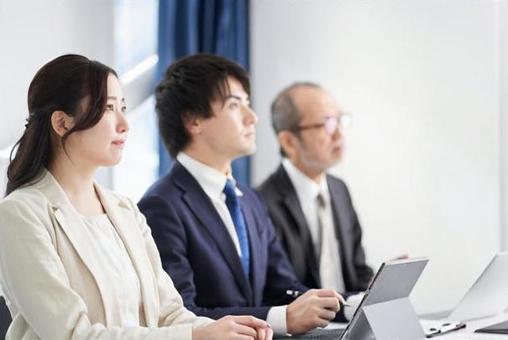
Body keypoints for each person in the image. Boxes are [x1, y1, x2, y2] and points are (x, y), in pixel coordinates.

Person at [0, 54, 272, 340]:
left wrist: (223, 328)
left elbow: (169, 314)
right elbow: (71, 335)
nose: (124, 123)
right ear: (62, 123)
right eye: (107, 108)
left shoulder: (125, 209)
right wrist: (196, 337)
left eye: (123, 108)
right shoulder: (20, 214)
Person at [138, 54, 343, 336]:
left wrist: (341, 304)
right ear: (193, 120)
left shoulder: (249, 199)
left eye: (247, 103)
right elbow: (182, 315)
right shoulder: (161, 206)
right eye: (235, 105)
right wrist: (282, 317)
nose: (253, 118)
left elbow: (281, 285)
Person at [257, 82, 373, 295]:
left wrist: (379, 288)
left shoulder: (339, 189)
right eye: (327, 123)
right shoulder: (261, 203)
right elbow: (279, 290)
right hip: (307, 327)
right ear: (289, 142)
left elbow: (358, 272)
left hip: (350, 322)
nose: (339, 135)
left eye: (340, 120)